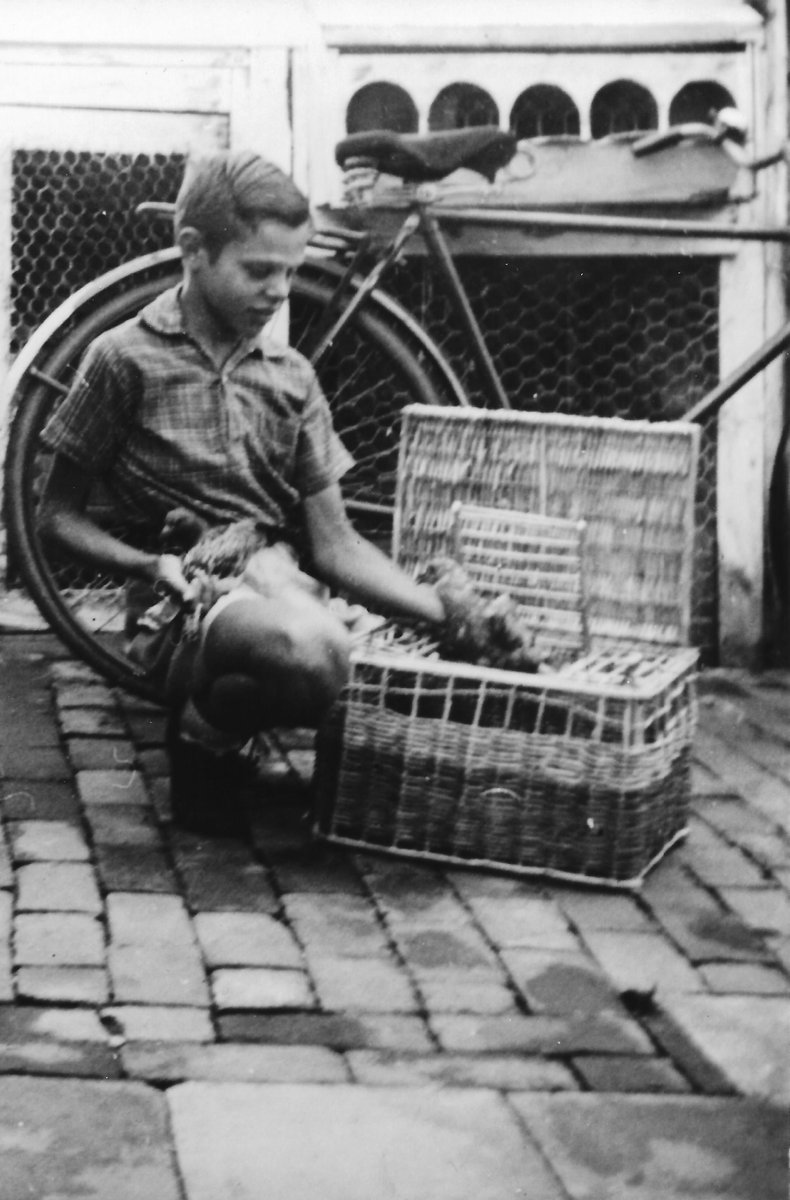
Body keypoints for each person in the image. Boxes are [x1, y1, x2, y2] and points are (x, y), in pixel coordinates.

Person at [38, 149, 446, 836]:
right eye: (259, 271)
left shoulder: (291, 376)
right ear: (193, 250)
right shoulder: (123, 357)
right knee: (318, 654)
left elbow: (337, 546)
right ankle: (235, 716)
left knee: (339, 657)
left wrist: (448, 616)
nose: (280, 291)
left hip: (282, 589)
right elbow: (54, 518)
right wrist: (148, 565)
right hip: (182, 608)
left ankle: (208, 735)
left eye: (291, 271)